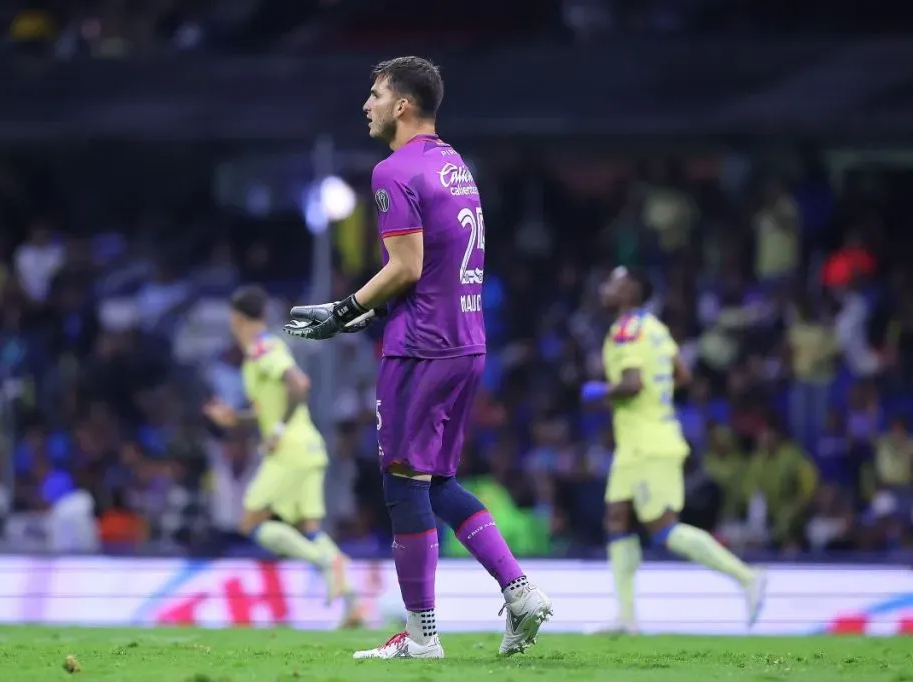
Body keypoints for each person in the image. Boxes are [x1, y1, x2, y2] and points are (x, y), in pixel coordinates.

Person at [285, 56, 551, 660]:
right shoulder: (455, 166)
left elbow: (404, 267)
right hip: (465, 340)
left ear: (403, 105)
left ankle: (423, 635)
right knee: (440, 482)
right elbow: (435, 267)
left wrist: (343, 308)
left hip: (422, 348)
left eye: (375, 94)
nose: (368, 104)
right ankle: (521, 589)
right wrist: (374, 313)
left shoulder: (392, 171)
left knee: (403, 482)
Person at [580, 266, 767, 634]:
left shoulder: (626, 330)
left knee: (663, 528)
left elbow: (632, 384)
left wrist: (599, 392)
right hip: (636, 443)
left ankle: (747, 577)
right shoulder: (655, 327)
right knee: (617, 516)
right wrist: (657, 392)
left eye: (613, 284)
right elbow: (683, 374)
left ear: (631, 292)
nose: (605, 289)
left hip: (650, 444)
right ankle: (627, 618)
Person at [204, 285, 362, 628]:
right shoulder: (260, 351)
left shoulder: (263, 347)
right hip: (308, 447)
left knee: (251, 522)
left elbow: (298, 384)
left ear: (236, 318)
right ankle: (352, 603)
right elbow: (268, 405)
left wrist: (275, 430)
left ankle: (325, 564)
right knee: (309, 528)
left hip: (289, 450)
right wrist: (237, 418)